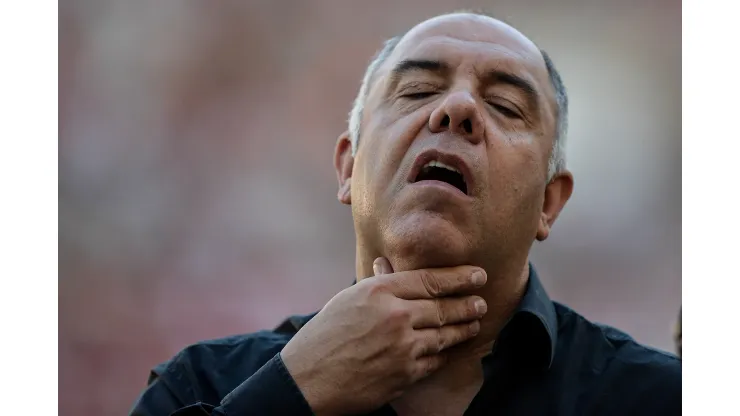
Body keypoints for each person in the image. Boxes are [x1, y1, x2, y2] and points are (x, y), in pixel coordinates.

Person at [130, 11, 681, 416]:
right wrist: (293, 395)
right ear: (348, 167)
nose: (458, 108)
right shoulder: (202, 386)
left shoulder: (656, 398)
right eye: (417, 90)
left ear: (548, 202)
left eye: (505, 106)